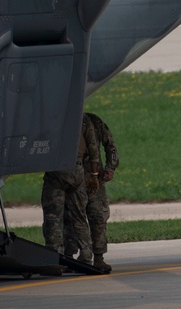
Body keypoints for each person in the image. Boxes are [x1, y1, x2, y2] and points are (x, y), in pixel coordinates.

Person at [64, 112, 119, 273]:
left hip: (95, 179)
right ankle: (69, 255)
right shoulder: (66, 121)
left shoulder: (94, 121)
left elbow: (111, 146)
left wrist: (110, 168)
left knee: (98, 217)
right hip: (74, 178)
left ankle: (99, 257)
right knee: (71, 217)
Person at [41, 115, 101, 256]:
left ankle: (54, 253)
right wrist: (94, 176)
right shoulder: (83, 119)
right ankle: (86, 253)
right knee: (79, 216)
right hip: (77, 171)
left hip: (56, 170)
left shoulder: (52, 117)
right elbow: (93, 150)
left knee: (53, 216)